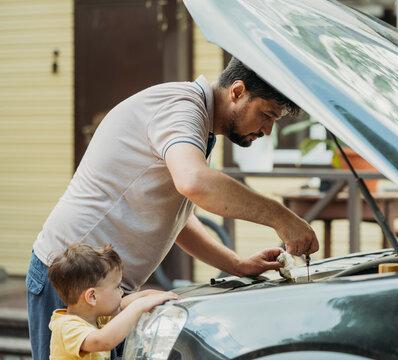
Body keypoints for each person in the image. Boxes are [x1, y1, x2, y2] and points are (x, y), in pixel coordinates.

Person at [26, 57, 319, 359]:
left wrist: (237, 264)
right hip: (70, 278)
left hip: (107, 288)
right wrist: (281, 218)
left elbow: (177, 218)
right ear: (237, 91)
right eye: (267, 115)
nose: (268, 130)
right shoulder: (181, 108)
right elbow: (195, 183)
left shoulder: (199, 125)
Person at [48, 243, 178, 360]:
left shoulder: (95, 318)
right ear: (92, 297)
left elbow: (124, 304)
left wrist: (149, 296)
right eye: (117, 287)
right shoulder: (66, 327)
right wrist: (139, 306)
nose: (122, 292)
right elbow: (103, 341)